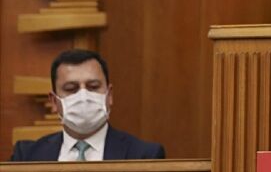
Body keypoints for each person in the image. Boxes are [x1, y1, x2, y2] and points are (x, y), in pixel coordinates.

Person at [10, 49, 165, 161]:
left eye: (93, 87)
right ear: (54, 101)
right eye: (71, 89)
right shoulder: (26, 156)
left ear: (109, 95)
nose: (83, 97)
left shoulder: (144, 155)